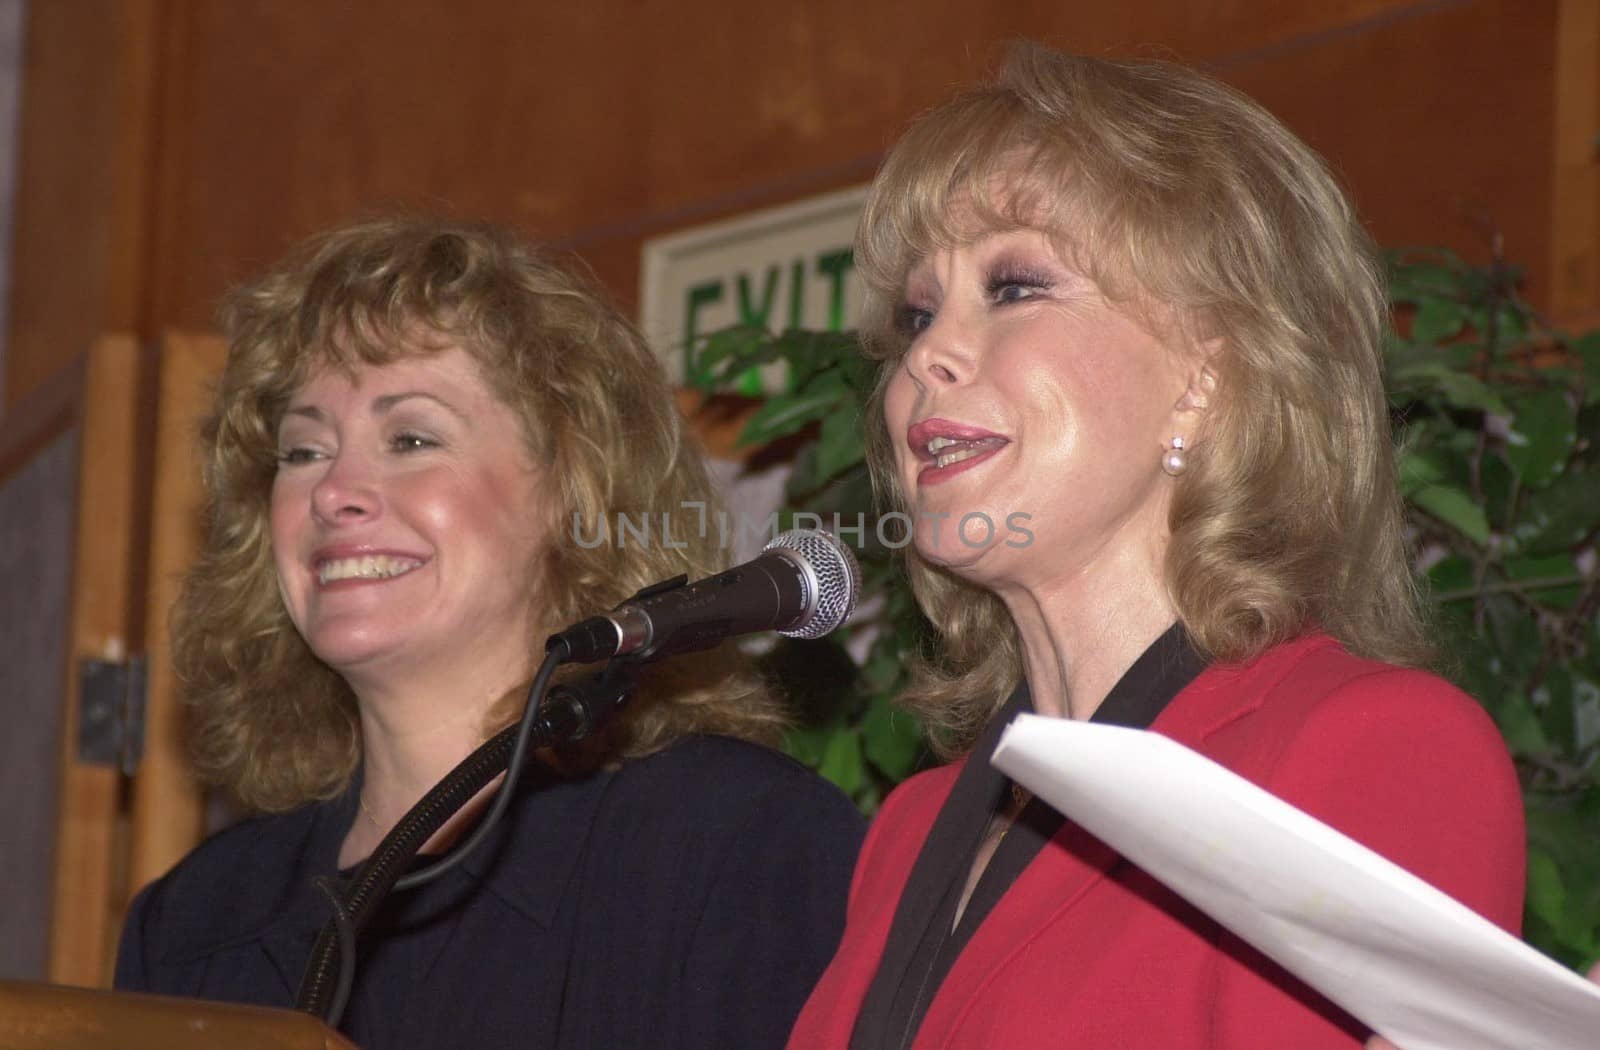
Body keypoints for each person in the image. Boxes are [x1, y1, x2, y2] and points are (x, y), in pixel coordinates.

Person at [786, 43, 1525, 1049]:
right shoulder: (910, 830)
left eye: (1013, 288)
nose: (925, 354)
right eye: (919, 312)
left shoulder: (1365, 746)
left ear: (1207, 378)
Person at [114, 218, 864, 1049]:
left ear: (576, 491)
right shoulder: (194, 922)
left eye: (411, 438)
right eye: (303, 452)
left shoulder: (738, 847)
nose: (335, 493)